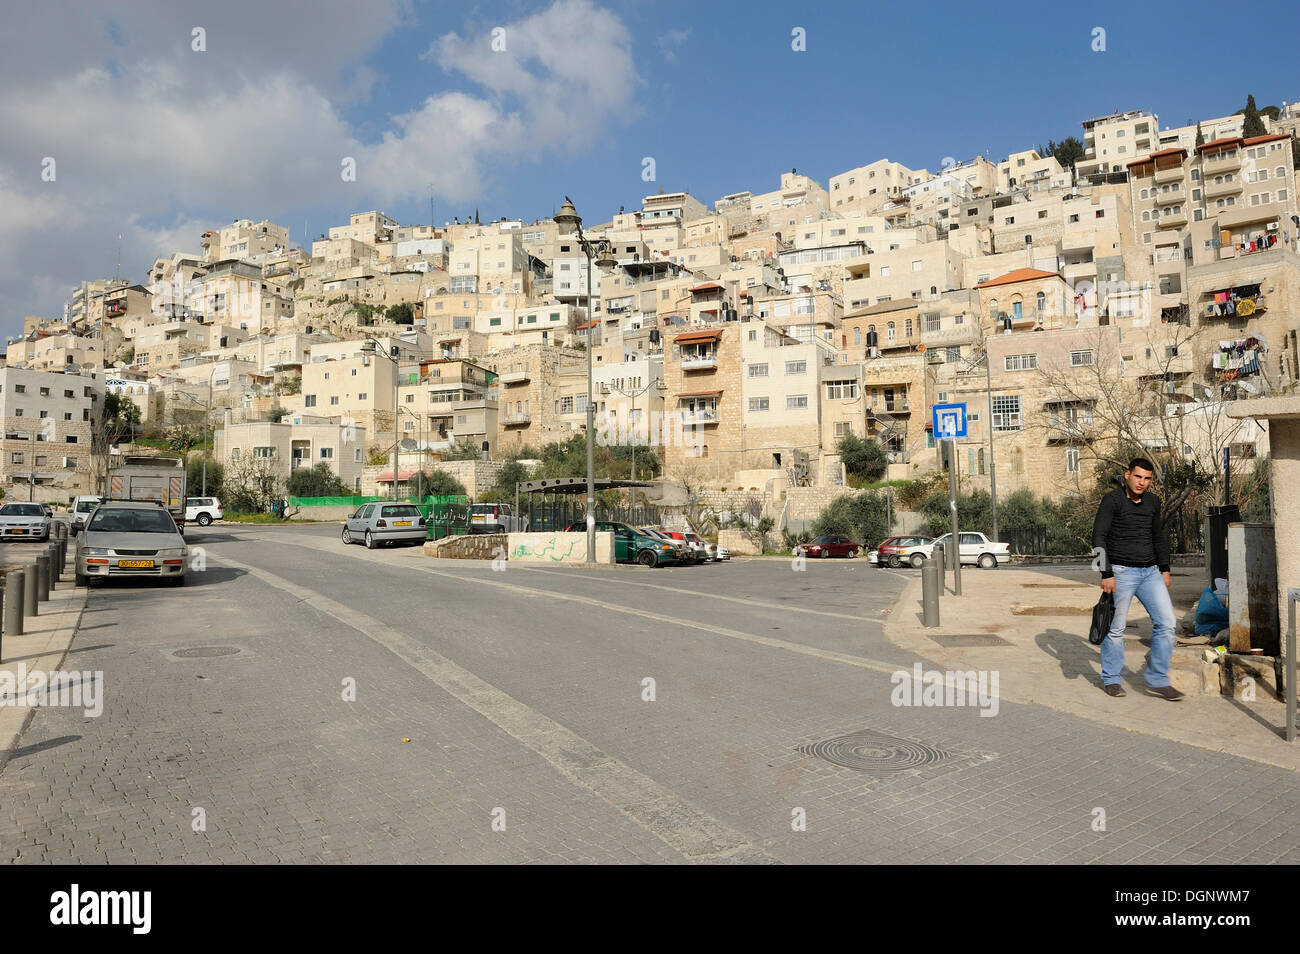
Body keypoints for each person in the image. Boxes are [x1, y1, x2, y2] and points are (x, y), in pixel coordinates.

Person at [1091, 458, 1182, 700]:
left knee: (1167, 623)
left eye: (1147, 478)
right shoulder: (1112, 500)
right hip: (1120, 572)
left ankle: (1158, 679)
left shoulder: (1153, 501)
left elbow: (1158, 537)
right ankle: (1111, 679)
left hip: (1150, 572)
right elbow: (1098, 536)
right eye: (1138, 476)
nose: (1142, 482)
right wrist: (1106, 573)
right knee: (1115, 628)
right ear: (1127, 475)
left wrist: (1164, 569)